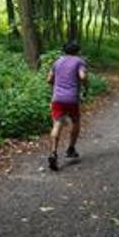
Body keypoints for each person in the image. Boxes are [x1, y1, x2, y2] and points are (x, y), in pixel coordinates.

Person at [46, 41, 88, 171]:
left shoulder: (57, 62)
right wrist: (86, 85)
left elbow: (49, 80)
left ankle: (53, 153)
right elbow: (82, 76)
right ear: (77, 51)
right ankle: (71, 149)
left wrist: (56, 85)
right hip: (72, 99)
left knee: (57, 124)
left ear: (64, 50)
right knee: (75, 121)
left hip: (57, 98)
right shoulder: (79, 61)